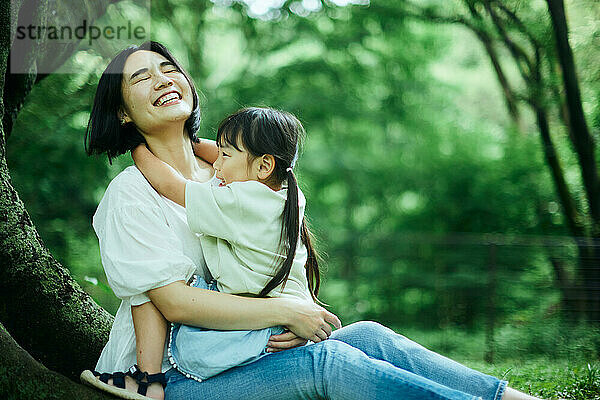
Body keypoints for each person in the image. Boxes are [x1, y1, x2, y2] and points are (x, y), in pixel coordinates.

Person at [81, 40, 543, 400]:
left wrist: (284, 319)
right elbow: (176, 305)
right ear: (122, 112)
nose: (162, 79)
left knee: (368, 336)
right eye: (141, 77)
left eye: (169, 68)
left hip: (248, 349)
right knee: (330, 363)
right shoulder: (130, 195)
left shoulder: (233, 171)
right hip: (178, 376)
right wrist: (287, 313)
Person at [129, 106, 324, 387]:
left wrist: (136, 145)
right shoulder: (285, 192)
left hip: (265, 323)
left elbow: (169, 184)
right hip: (287, 313)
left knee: (183, 333)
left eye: (226, 155)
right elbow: (216, 153)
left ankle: (148, 382)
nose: (216, 165)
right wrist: (190, 142)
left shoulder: (241, 200)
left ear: (263, 166)